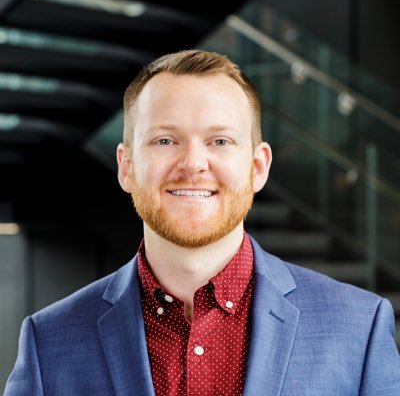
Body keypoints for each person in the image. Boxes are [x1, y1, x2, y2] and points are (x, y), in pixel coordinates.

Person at [5, 49, 400, 395]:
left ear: (258, 166)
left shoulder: (358, 330)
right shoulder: (50, 342)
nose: (193, 163)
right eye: (165, 140)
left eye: (220, 141)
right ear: (126, 167)